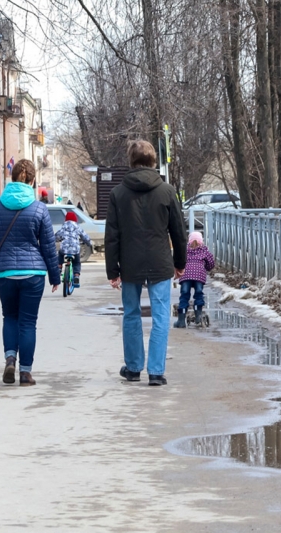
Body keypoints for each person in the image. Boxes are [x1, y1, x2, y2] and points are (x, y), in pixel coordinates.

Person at [0, 160, 60, 387]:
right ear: (33, 180)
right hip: (33, 273)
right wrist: (55, 276)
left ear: (11, 178)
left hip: (5, 273)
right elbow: (48, 245)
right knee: (28, 322)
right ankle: (25, 373)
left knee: (10, 317)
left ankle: (10, 359)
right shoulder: (39, 208)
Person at [106, 140, 187, 386]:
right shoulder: (167, 191)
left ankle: (132, 368)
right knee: (161, 315)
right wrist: (180, 262)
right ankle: (155, 372)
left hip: (129, 263)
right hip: (160, 261)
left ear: (131, 161)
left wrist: (113, 270)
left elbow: (112, 235)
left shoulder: (118, 193)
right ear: (153, 161)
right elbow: (179, 232)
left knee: (131, 314)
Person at [174, 232, 215, 328]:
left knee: (184, 296)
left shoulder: (185, 250)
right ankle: (198, 316)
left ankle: (181, 321)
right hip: (199, 276)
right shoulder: (204, 250)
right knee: (198, 294)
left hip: (186, 276)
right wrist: (206, 268)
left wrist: (179, 268)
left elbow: (178, 259)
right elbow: (211, 263)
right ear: (201, 241)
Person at [55, 211, 93, 288]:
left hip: (64, 249)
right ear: (75, 219)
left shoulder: (63, 227)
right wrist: (89, 243)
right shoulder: (77, 227)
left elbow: (57, 236)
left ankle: (59, 268)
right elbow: (85, 237)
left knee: (60, 255)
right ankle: (76, 275)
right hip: (75, 249)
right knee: (76, 262)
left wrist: (56, 240)